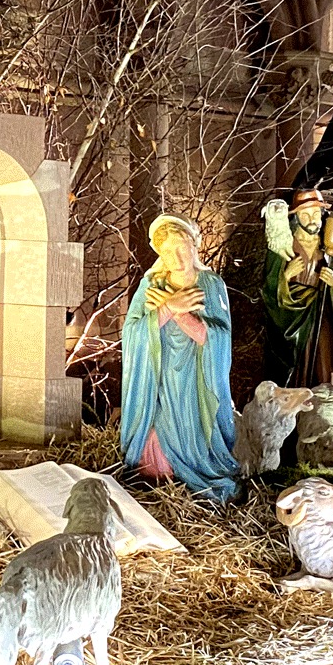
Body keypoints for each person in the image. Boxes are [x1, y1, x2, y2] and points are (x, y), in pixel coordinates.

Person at [119, 213, 237, 500]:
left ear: (194, 247)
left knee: (196, 433)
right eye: (168, 251)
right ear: (159, 253)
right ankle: (157, 474)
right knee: (153, 456)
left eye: (183, 248)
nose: (177, 257)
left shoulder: (211, 284)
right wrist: (168, 306)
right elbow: (132, 333)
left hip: (196, 380)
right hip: (157, 379)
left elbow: (219, 339)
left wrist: (182, 315)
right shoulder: (152, 285)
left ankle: (197, 472)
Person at [259, 189, 333, 387]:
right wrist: (285, 276)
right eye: (305, 214)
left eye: (316, 213)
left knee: (325, 373)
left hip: (323, 320)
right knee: (294, 376)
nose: (312, 219)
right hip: (291, 322)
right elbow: (268, 289)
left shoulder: (330, 249)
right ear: (296, 217)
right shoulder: (285, 246)